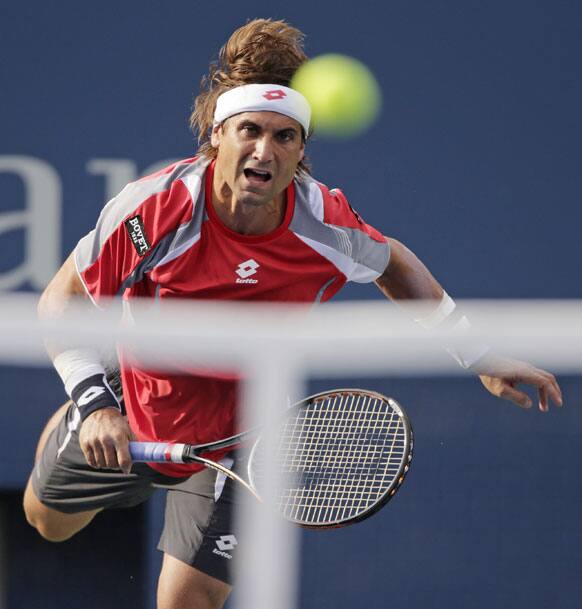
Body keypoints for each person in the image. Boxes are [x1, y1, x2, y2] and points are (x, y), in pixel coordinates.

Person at [23, 17, 563, 609]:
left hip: (243, 433)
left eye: (285, 137)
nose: (264, 150)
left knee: (188, 602)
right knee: (47, 521)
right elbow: (63, 299)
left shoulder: (322, 221)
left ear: (301, 151)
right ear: (216, 136)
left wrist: (479, 356)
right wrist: (94, 401)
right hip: (135, 398)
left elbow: (394, 265)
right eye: (250, 130)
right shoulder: (158, 208)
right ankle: (70, 424)